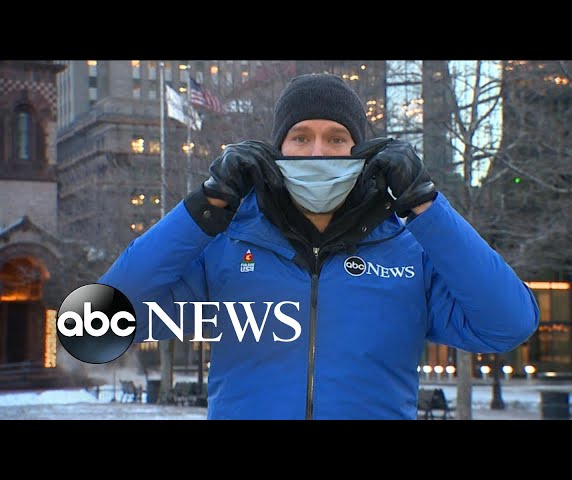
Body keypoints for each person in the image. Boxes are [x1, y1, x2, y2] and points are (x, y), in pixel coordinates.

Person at [99, 73, 539, 420]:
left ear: (360, 151)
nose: (317, 152)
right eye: (301, 137)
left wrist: (425, 205)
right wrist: (205, 207)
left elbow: (508, 323)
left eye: (336, 139)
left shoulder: (408, 252)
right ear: (277, 150)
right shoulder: (227, 247)